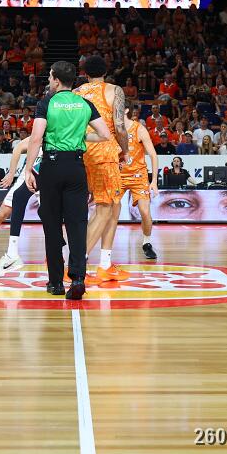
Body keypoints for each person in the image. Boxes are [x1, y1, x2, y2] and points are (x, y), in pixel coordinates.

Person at [26, 61, 113, 299]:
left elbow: (36, 138)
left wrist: (28, 170)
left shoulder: (46, 103)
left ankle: (55, 282)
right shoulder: (85, 104)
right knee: (77, 224)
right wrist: (81, 137)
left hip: (52, 167)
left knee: (52, 224)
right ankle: (78, 278)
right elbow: (105, 134)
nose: (48, 81)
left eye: (49, 77)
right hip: (76, 166)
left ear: (55, 80)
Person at [73, 55, 129, 286]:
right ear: (106, 72)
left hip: (79, 150)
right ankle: (77, 265)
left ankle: (105, 264)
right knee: (105, 208)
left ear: (85, 73)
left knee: (113, 205)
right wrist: (125, 150)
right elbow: (119, 126)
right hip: (104, 151)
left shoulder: (76, 92)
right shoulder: (114, 90)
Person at [0, 137, 43, 276]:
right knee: (3, 211)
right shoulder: (40, 134)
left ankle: (64, 256)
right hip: (28, 174)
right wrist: (11, 173)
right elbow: (18, 147)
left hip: (47, 174)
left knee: (49, 218)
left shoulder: (61, 135)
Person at [120, 107, 160, 260]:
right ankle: (103, 251)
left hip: (138, 175)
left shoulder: (139, 128)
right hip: (118, 174)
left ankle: (147, 243)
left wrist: (154, 181)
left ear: (126, 110)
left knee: (145, 212)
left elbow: (153, 155)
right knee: (107, 212)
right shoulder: (111, 128)